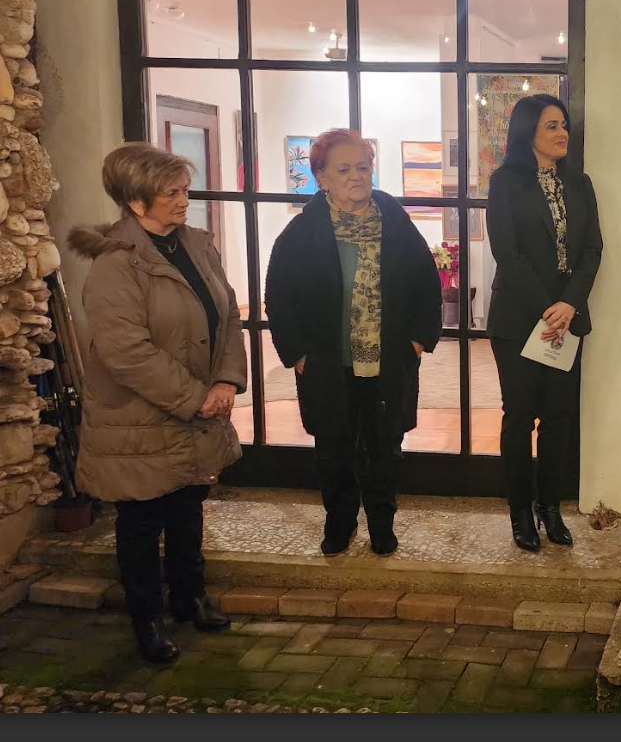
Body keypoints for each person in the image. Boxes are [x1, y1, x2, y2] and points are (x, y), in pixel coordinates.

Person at [68, 144, 247, 663]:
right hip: (138, 419)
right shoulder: (115, 264)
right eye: (171, 193)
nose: (184, 200)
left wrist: (226, 380)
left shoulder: (197, 244)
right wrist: (196, 397)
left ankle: (191, 598)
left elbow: (228, 316)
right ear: (136, 201)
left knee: (188, 508)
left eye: (184, 190)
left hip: (195, 412)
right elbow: (126, 352)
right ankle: (146, 621)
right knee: (142, 523)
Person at [265, 129, 441, 558]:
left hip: (389, 359)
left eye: (363, 167)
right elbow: (279, 296)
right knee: (333, 451)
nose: (356, 176)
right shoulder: (302, 232)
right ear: (322, 177)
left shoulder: (396, 223)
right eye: (343, 169)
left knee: (385, 449)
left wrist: (417, 342)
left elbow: (426, 284)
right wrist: (297, 352)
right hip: (327, 363)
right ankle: (339, 523)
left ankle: (382, 524)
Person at [486, 94, 603, 553]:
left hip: (567, 320)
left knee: (558, 417)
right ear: (528, 131)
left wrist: (568, 305)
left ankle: (550, 507)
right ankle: (520, 510)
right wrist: (547, 308)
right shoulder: (505, 182)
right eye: (551, 125)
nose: (562, 133)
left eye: (563, 125)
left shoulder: (579, 183)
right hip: (519, 318)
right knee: (518, 417)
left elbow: (593, 248)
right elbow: (507, 252)